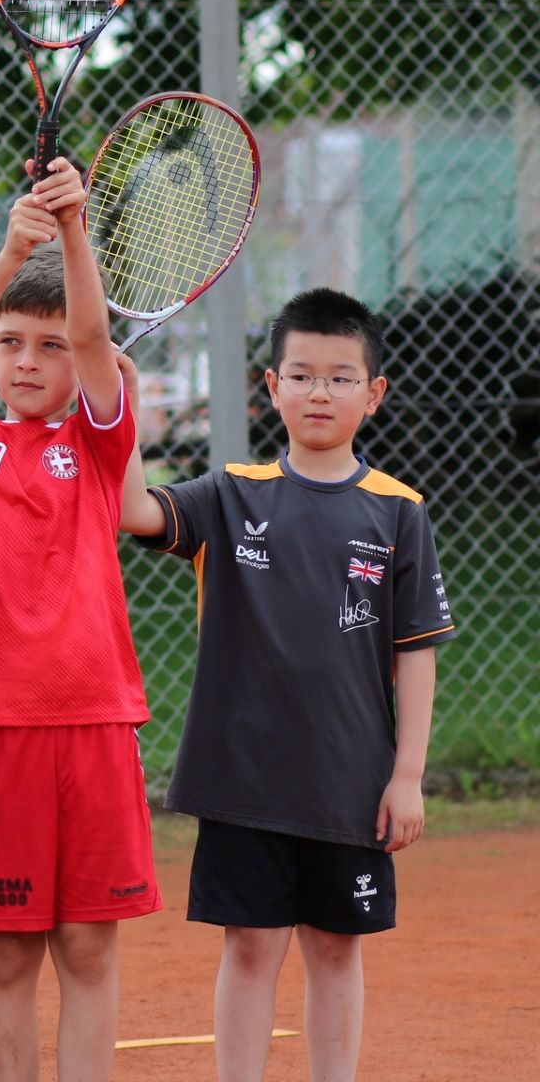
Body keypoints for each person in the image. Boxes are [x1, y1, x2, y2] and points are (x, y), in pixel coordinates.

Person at [120, 287, 455, 1081]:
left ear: (373, 396)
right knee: (251, 946)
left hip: (350, 782)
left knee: (336, 950)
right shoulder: (231, 493)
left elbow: (417, 652)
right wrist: (121, 405)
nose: (319, 391)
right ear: (271, 387)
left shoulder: (399, 513)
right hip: (245, 780)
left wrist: (407, 776)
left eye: (341, 377)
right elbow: (130, 508)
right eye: (300, 374)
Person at [0, 157, 158, 1080]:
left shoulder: (100, 445)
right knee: (9, 951)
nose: (26, 360)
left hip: (94, 721)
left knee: (89, 949)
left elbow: (98, 339)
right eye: (10, 341)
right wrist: (17, 245)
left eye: (47, 346)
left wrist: (73, 233)